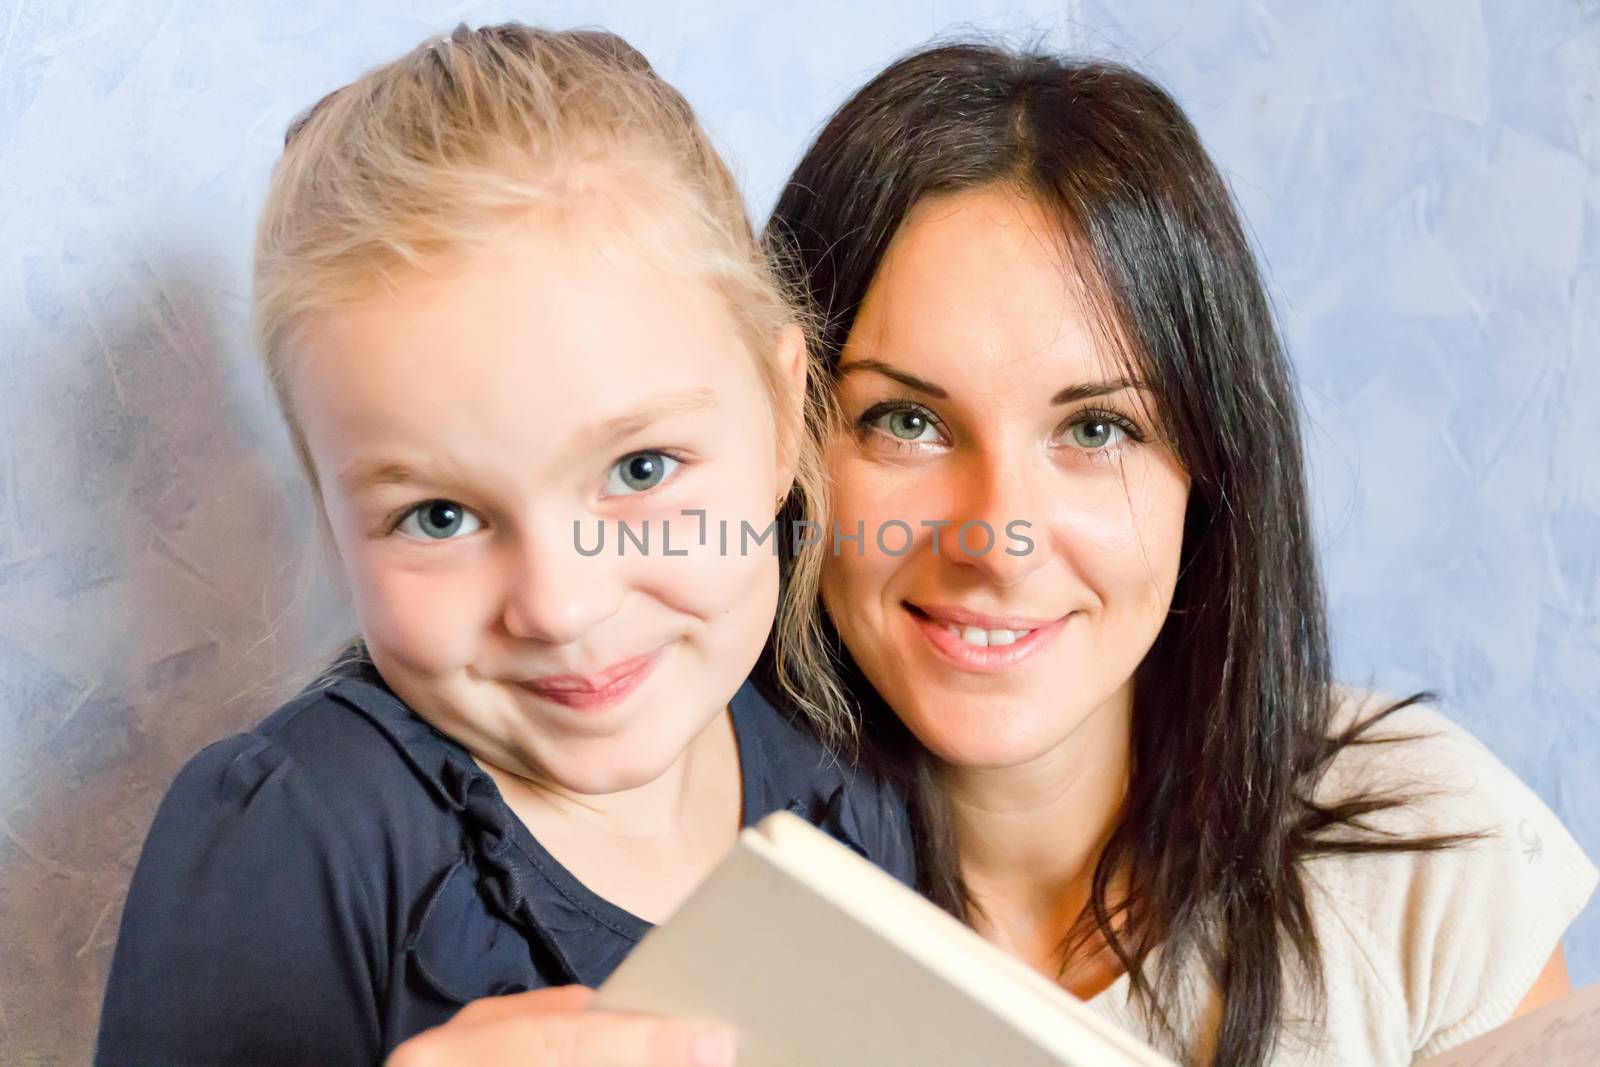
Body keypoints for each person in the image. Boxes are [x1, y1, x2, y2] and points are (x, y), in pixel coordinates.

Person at [758, 42, 1597, 1067]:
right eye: (906, 420)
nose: (995, 541)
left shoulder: (1423, 864)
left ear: (1206, 471)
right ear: (780, 445)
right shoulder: (659, 883)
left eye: (1097, 430)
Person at [94, 24, 911, 1066]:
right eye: (440, 516)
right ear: (334, 521)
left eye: (641, 469)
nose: (560, 606)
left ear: (785, 417)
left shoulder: (847, 805)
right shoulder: (300, 836)